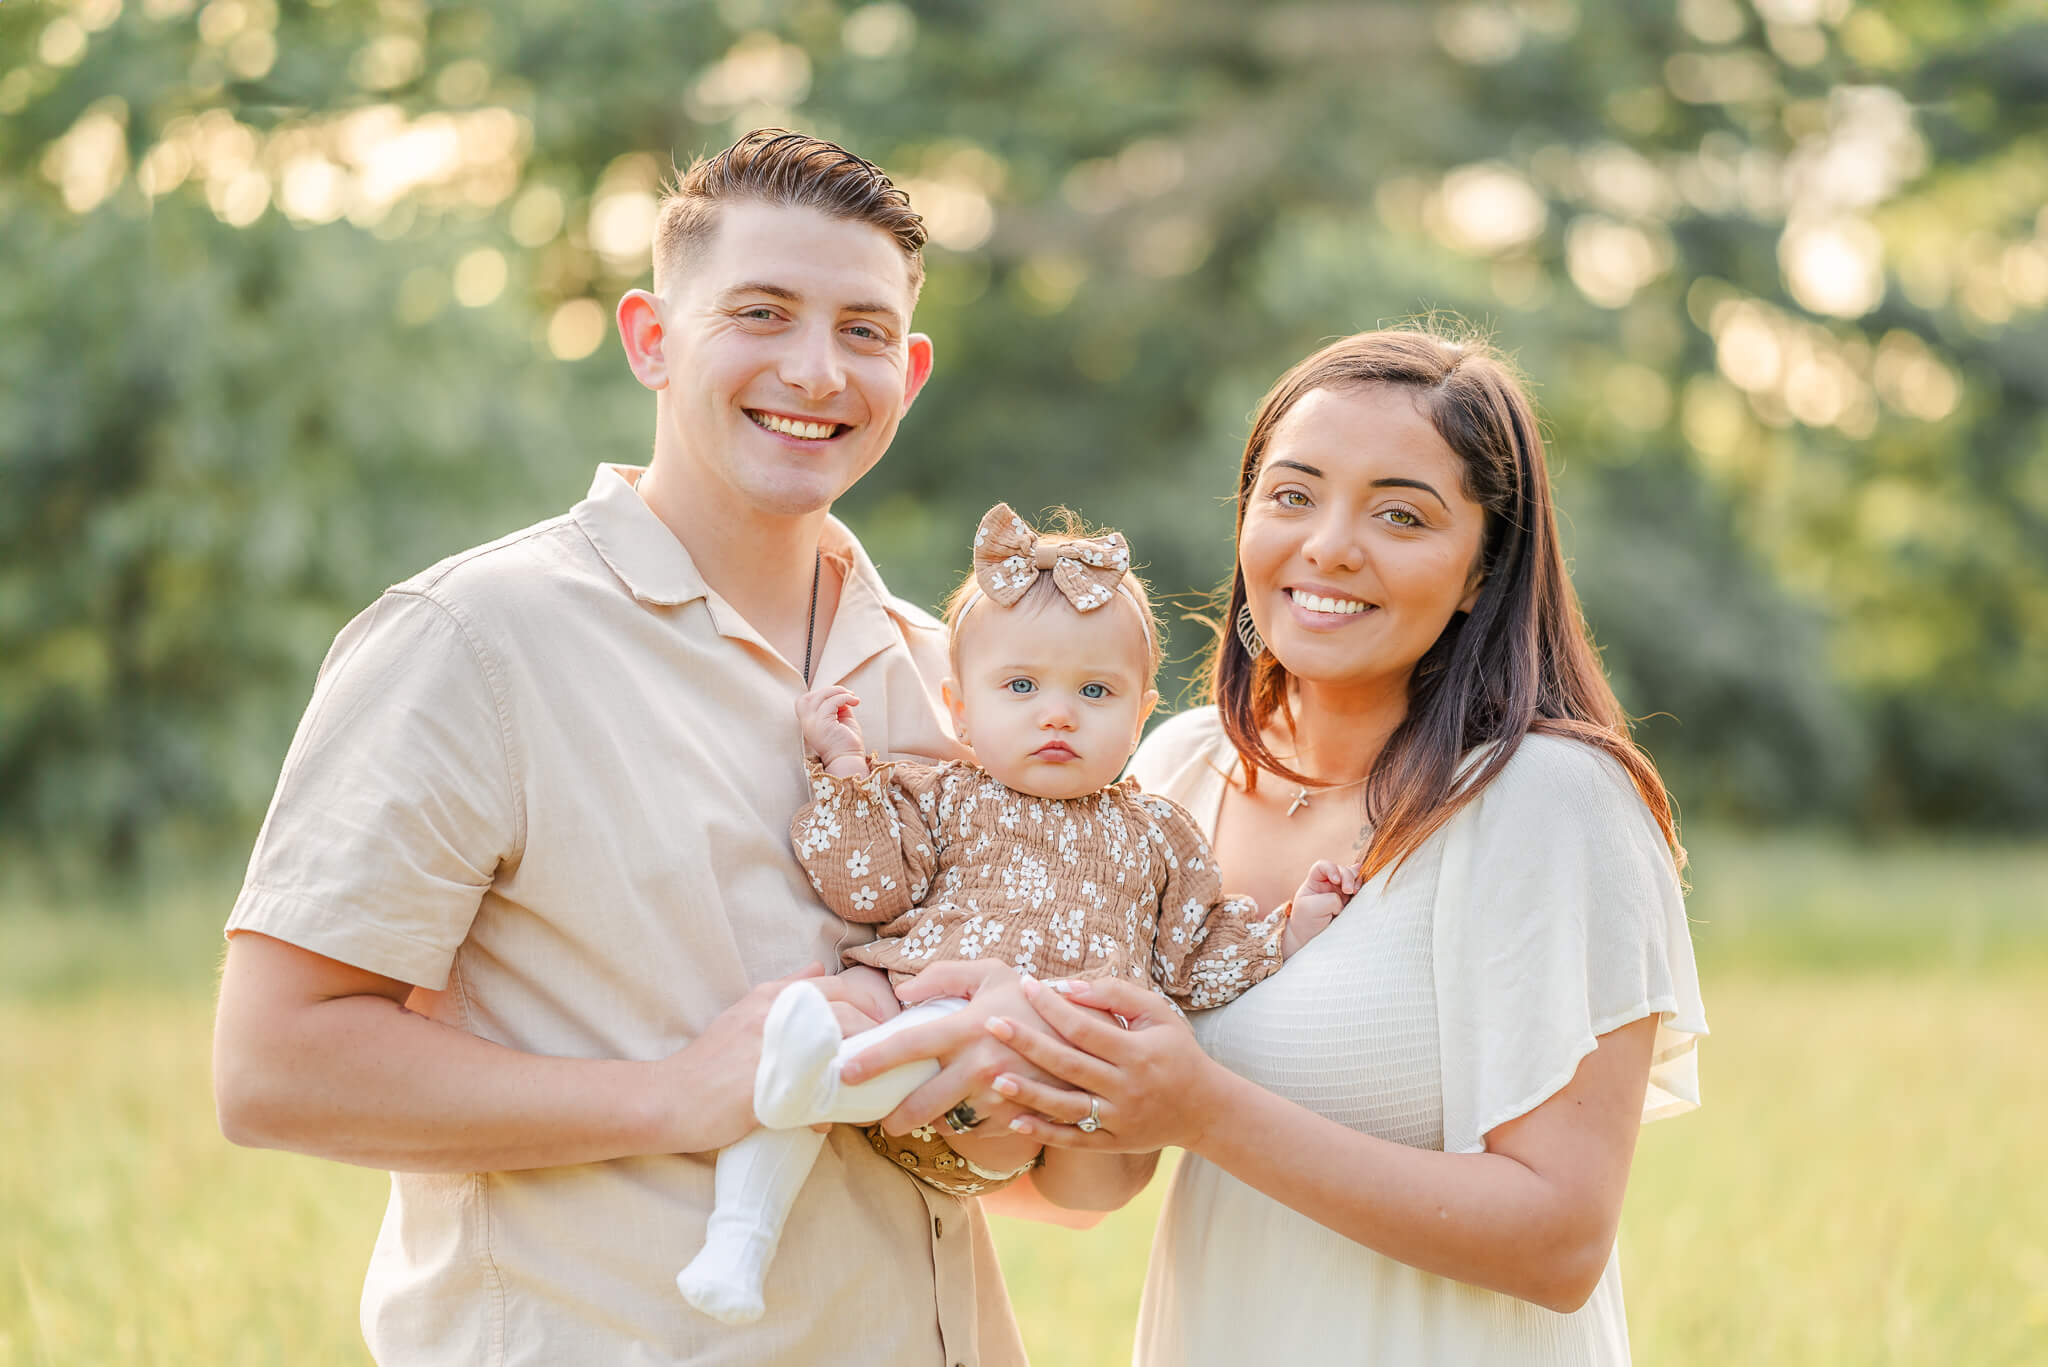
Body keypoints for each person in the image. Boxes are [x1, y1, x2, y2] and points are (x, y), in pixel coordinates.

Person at [210, 129, 1058, 1365]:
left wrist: (1001, 1079)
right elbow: (275, 1064)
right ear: (651, 338)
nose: (816, 369)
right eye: (760, 313)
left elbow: (1020, 1154)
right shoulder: (472, 642)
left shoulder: (958, 679)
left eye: (863, 330)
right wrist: (669, 1094)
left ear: (911, 369)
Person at [859, 328, 1710, 1364]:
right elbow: (1091, 1181)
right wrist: (956, 1071)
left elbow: (1558, 1237)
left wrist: (1205, 1108)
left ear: (1481, 568)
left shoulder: (1549, 802)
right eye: (1291, 494)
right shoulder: (1172, 774)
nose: (1328, 546)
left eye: (1400, 513)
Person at [676, 502, 1356, 1322]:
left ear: (1141, 713)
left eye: (1095, 690)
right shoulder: (941, 796)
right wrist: (847, 767)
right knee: (836, 1007)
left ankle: (821, 1084)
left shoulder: (1157, 835)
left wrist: (1290, 927)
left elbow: (1196, 951)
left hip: (1025, 1094)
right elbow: (868, 889)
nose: (1058, 712)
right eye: (1022, 686)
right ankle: (741, 1235)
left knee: (934, 1068)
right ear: (959, 709)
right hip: (910, 1014)